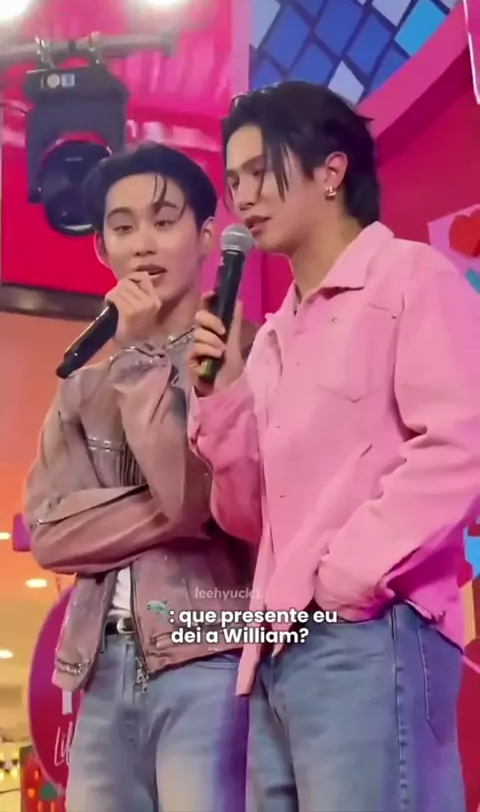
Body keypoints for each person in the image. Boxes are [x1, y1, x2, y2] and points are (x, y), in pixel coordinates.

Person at [187, 81, 480, 812]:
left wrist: (347, 577)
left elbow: (460, 442)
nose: (244, 196)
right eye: (234, 180)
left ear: (331, 171)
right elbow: (247, 515)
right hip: (276, 652)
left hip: (373, 630)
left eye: (261, 171)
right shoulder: (272, 337)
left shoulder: (409, 276)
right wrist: (219, 397)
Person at [24, 142, 257, 812]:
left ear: (207, 235)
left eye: (163, 220)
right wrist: (182, 509)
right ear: (102, 247)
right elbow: (50, 533)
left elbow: (194, 495)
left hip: (208, 654)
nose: (143, 243)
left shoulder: (242, 357)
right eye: (123, 228)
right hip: (100, 668)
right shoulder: (82, 387)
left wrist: (137, 357)